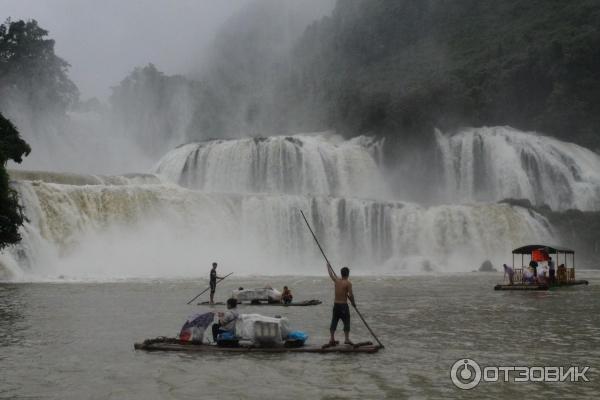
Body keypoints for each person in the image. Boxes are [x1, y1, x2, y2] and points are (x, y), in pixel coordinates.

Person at [327, 263, 355, 346]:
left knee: (334, 320)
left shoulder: (337, 280)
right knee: (346, 321)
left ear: (341, 273)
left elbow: (331, 275)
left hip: (336, 304)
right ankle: (346, 339)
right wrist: (353, 303)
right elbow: (351, 295)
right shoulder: (348, 283)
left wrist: (328, 266)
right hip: (343, 306)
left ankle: (332, 338)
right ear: (348, 274)